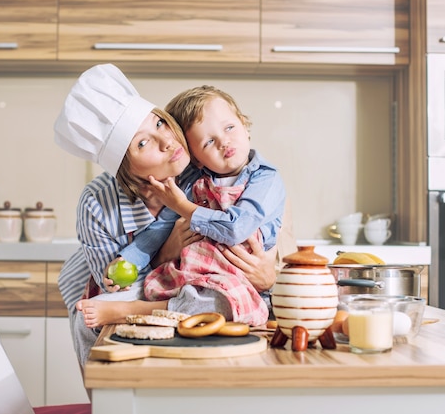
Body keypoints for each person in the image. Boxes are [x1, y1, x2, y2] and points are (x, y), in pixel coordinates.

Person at [54, 64, 278, 365]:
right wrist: (165, 252)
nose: (167, 142)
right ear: (126, 169)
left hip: (212, 304)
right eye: (143, 143)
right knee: (87, 322)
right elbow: (119, 283)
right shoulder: (98, 204)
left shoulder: (227, 175)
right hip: (143, 305)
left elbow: (270, 267)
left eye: (160, 123)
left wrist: (267, 278)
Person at [143, 85, 286, 326]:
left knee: (212, 302)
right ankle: (164, 306)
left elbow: (236, 229)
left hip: (240, 284)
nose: (224, 142)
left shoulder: (266, 178)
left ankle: (141, 309)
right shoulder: (195, 183)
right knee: (178, 292)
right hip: (196, 275)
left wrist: (181, 205)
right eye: (209, 141)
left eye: (229, 127)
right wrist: (131, 258)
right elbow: (161, 227)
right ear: (196, 158)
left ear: (244, 124)